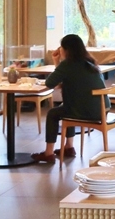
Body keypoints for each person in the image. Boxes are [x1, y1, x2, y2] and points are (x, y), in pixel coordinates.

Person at [31, 34, 107, 164]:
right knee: (66, 106)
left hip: (86, 111)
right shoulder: (89, 62)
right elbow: (62, 78)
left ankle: (49, 153)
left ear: (66, 49)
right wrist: (58, 63)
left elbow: (50, 83)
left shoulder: (68, 64)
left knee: (53, 113)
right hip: (102, 109)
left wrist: (58, 62)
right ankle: (68, 147)